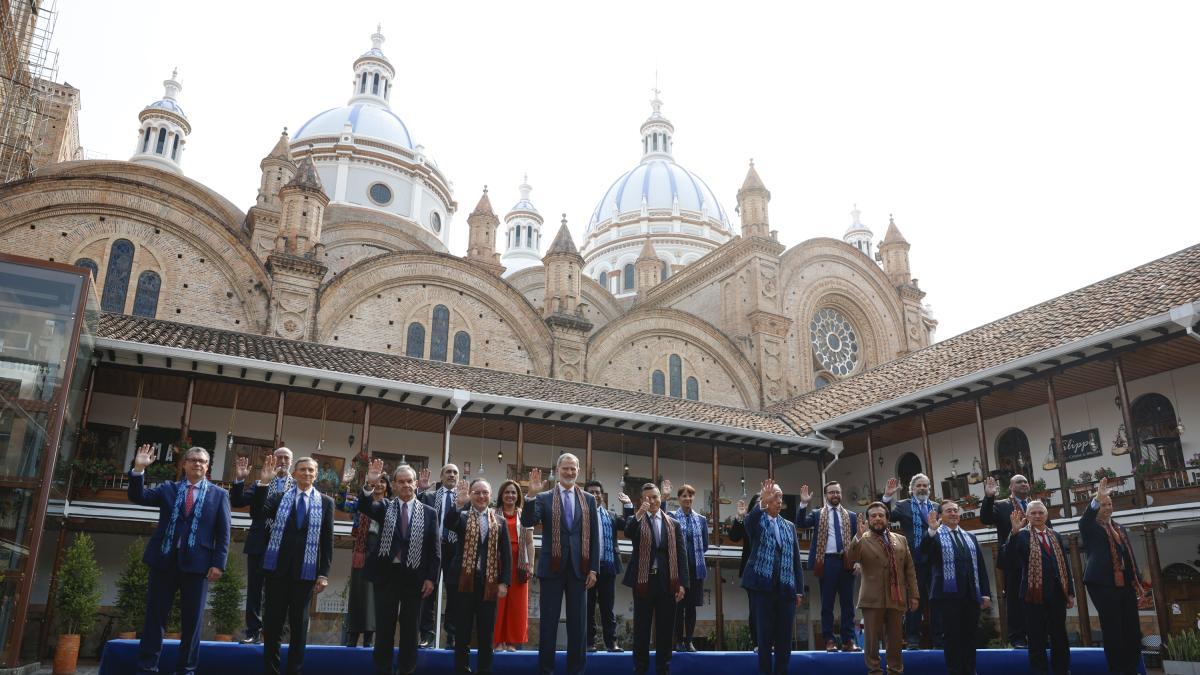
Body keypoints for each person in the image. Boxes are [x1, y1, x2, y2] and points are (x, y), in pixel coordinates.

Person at [127, 444, 230, 675]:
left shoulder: (219, 495)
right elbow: (138, 496)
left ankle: (186, 669)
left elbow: (223, 533)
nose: (197, 464)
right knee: (155, 617)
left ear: (208, 467)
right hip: (164, 561)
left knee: (192, 623)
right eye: (193, 460)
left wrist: (218, 563)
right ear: (183, 464)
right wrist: (138, 469)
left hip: (198, 565)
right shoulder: (168, 489)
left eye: (202, 461)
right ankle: (147, 667)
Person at [252, 457, 335, 675]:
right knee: (272, 626)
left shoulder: (326, 503)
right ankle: (271, 671)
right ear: (295, 473)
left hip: (305, 574)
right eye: (302, 470)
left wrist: (323, 574)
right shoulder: (280, 497)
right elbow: (258, 514)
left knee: (299, 627)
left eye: (310, 470)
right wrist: (263, 484)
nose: (306, 473)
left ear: (315, 474)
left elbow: (327, 543)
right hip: (276, 571)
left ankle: (294, 671)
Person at [520, 454, 600, 675]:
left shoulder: (588, 499)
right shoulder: (544, 497)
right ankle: (546, 670)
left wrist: (594, 568)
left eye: (573, 469)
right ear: (557, 470)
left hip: (579, 569)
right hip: (552, 568)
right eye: (566, 468)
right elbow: (528, 522)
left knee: (578, 627)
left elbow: (595, 536)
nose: (570, 472)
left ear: (578, 471)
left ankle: (577, 671)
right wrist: (531, 495)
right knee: (548, 624)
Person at [361, 460, 441, 675]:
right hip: (387, 575)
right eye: (401, 482)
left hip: (415, 577)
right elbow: (366, 506)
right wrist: (369, 484)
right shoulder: (385, 507)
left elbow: (435, 550)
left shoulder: (429, 512)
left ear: (416, 484)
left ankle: (407, 670)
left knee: (409, 629)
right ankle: (383, 670)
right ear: (394, 485)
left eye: (409, 481)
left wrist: (431, 579)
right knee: (384, 628)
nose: (405, 485)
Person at [442, 478, 512, 674]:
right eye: (477, 492)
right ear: (471, 495)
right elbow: (448, 523)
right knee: (462, 633)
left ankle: (484, 670)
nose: (481, 496)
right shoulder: (462, 517)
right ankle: (462, 670)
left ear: (490, 496)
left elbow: (506, 555)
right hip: (463, 583)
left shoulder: (499, 521)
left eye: (485, 493)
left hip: (488, 584)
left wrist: (504, 582)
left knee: (486, 633)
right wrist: (458, 504)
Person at [1079, 477, 1147, 675]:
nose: (1107, 508)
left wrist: (1137, 582)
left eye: (1109, 504)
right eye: (1103, 504)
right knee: (1113, 629)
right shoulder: (1090, 527)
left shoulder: (1119, 528)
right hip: (1101, 584)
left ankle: (1131, 667)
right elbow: (1084, 520)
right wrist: (1096, 500)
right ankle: (1118, 670)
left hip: (1124, 583)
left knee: (1132, 629)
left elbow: (1129, 556)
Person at [620, 482, 688, 675]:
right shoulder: (637, 520)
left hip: (667, 582)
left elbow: (681, 555)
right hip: (643, 581)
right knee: (642, 630)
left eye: (655, 496)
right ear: (642, 500)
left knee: (665, 631)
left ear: (661, 498)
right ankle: (640, 669)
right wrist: (639, 512)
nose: (652, 500)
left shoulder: (673, 523)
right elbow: (628, 532)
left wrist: (682, 583)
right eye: (648, 498)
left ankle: (663, 669)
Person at [1000, 500, 1074, 675]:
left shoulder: (1055, 535)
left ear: (1046, 515)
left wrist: (1069, 592)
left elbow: (1064, 564)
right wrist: (1014, 532)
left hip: (1057, 594)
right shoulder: (1021, 536)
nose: (1037, 516)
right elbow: (1005, 560)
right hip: (1033, 594)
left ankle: (1062, 670)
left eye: (1040, 513)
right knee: (1036, 638)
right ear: (1027, 516)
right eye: (1033, 513)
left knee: (1060, 637)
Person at [846, 501, 919, 675]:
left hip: (896, 597)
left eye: (881, 515)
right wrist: (856, 537)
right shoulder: (862, 539)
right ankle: (875, 672)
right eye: (873, 516)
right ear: (869, 520)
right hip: (872, 599)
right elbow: (850, 559)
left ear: (887, 518)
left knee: (895, 641)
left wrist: (914, 595)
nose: (877, 519)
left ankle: (895, 671)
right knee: (871, 643)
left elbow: (909, 569)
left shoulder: (900, 539)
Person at [231, 447, 294, 644]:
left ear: (291, 462)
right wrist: (240, 480)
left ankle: (277, 634)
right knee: (255, 590)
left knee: (282, 591)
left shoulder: (298, 486)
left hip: (285, 546)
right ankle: (253, 632)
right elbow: (238, 501)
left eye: (286, 458)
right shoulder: (261, 483)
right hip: (259, 543)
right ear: (273, 460)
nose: (282, 461)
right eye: (279, 457)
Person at [921, 500, 991, 675]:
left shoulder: (971, 537)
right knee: (952, 638)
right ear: (940, 516)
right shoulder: (934, 536)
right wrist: (931, 530)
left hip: (971, 596)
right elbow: (924, 554)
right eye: (948, 511)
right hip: (947, 597)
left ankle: (970, 670)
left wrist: (986, 593)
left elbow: (981, 568)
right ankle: (955, 671)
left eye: (955, 510)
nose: (953, 513)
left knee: (970, 636)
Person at [742, 479, 804, 675]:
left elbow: (796, 560)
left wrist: (799, 590)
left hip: (786, 590)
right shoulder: (756, 522)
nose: (779, 501)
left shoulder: (789, 526)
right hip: (762, 590)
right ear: (766, 499)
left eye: (781, 498)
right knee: (765, 640)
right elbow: (748, 522)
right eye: (775, 497)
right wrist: (761, 504)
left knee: (785, 642)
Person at [980, 473, 1047, 648]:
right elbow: (986, 518)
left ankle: (1039, 634)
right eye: (1019, 482)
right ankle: (1017, 637)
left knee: (1039, 600)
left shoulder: (1036, 507)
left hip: (1037, 561)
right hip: (1014, 562)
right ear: (1010, 487)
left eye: (1025, 481)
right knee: (1016, 600)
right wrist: (988, 497)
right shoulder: (1002, 505)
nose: (1024, 484)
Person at [796, 480, 861, 652]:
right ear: (826, 496)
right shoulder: (818, 514)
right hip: (827, 561)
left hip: (847, 561)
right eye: (831, 492)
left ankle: (849, 640)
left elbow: (858, 542)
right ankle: (829, 640)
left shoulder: (851, 516)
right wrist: (803, 503)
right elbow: (801, 523)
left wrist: (858, 561)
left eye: (838, 492)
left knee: (848, 603)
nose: (835, 495)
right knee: (827, 604)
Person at [882, 474, 942, 649]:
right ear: (912, 489)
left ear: (929, 489)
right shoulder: (903, 505)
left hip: (935, 559)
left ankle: (938, 639)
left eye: (925, 485)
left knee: (936, 600)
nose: (922, 488)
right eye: (918, 486)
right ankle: (913, 638)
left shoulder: (936, 507)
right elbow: (887, 517)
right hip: (913, 560)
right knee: (914, 600)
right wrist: (887, 497)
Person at [339, 465, 388, 648]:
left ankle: (369, 636)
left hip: (381, 554)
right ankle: (353, 634)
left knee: (374, 598)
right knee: (358, 595)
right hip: (361, 551)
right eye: (377, 480)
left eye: (383, 481)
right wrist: (344, 484)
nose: (380, 484)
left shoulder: (390, 506)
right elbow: (341, 505)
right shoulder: (361, 502)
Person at [417, 463, 462, 648]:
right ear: (442, 476)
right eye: (448, 472)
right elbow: (415, 508)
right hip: (432, 549)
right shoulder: (429, 496)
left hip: (455, 549)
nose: (452, 475)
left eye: (455, 472)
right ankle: (427, 634)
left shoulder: (464, 499)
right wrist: (420, 489)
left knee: (454, 594)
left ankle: (452, 634)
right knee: (428, 591)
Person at [665, 481, 708, 652]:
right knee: (678, 607)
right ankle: (678, 641)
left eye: (690, 495)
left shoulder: (702, 520)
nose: (687, 498)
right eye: (684, 496)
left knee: (691, 607)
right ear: (679, 498)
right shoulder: (671, 516)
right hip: (678, 569)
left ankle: (689, 640)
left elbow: (705, 544)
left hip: (696, 569)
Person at [585, 479, 626, 653]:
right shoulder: (582, 516)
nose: (595, 495)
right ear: (585, 495)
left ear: (602, 495)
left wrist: (629, 506)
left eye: (598, 492)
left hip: (608, 566)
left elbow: (629, 526)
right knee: (587, 607)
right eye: (591, 492)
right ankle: (589, 642)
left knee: (607, 608)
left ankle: (611, 643)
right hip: (587, 568)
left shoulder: (611, 516)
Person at [493, 479, 534, 652]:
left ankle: (511, 641)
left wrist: (531, 565)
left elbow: (530, 543)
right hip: (498, 560)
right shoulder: (492, 513)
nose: (510, 495)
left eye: (513, 493)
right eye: (507, 492)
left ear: (518, 496)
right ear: (501, 495)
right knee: (498, 602)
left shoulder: (524, 515)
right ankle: (498, 641)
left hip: (519, 562)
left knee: (517, 604)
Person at [726, 494, 760, 652]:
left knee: (773, 608)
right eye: (758, 503)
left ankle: (772, 642)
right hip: (752, 572)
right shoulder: (748, 521)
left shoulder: (776, 521)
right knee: (755, 609)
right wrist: (740, 517)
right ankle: (757, 643)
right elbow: (734, 537)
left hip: (773, 572)